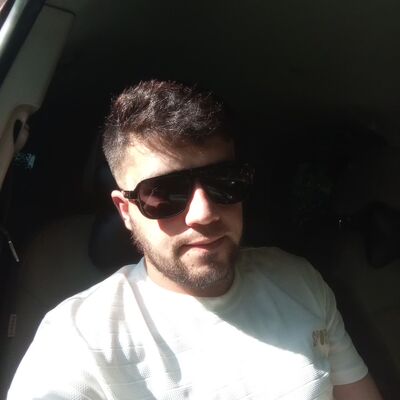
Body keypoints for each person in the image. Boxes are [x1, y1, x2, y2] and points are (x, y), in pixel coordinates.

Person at [8, 80, 383, 399]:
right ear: (126, 211)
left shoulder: (299, 281)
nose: (204, 213)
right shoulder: (78, 340)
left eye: (225, 181)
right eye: (164, 193)